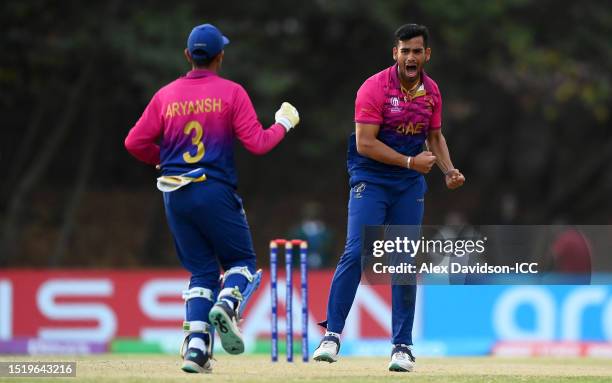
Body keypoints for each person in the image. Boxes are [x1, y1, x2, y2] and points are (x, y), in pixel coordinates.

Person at [124, 23, 300, 374]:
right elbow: (258, 143)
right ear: (220, 55)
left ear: (188, 56)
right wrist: (283, 123)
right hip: (213, 189)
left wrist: (161, 158)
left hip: (174, 193)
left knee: (202, 271)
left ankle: (197, 350)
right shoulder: (231, 92)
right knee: (243, 265)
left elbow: (133, 142)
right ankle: (229, 301)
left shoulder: (166, 95)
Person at [312, 23, 465, 372]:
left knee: (403, 260)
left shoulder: (432, 91)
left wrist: (448, 170)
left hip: (409, 186)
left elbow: (435, 136)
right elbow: (365, 143)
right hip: (371, 178)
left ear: (427, 55)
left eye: (417, 51)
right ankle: (332, 335)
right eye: (405, 50)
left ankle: (402, 346)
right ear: (394, 53)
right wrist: (411, 161)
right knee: (357, 250)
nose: (411, 57)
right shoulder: (374, 88)